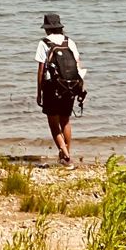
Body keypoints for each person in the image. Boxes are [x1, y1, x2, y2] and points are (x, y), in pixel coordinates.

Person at [34, 12, 84, 167]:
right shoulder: (70, 42)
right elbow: (78, 65)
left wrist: (39, 92)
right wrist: (80, 87)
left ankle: (65, 154)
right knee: (66, 120)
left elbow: (41, 70)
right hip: (70, 86)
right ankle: (65, 156)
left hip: (52, 87)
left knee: (53, 123)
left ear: (47, 29)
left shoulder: (44, 43)